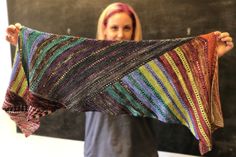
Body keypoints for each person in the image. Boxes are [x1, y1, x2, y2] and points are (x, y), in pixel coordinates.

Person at [6, 2, 234, 157]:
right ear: (103, 29)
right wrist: (25, 45)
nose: (120, 34)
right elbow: (51, 68)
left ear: (134, 30)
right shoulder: (83, 63)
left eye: (127, 28)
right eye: (114, 27)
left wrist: (211, 55)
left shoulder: (151, 65)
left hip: (140, 149)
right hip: (99, 148)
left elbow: (183, 77)